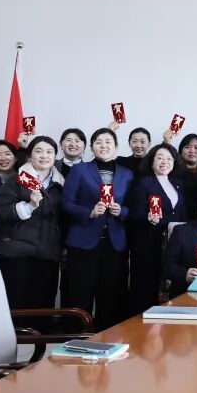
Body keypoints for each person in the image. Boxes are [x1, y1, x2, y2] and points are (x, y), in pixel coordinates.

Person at [60, 127, 134, 329]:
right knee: (79, 294)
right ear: (92, 147)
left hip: (114, 244)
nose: (103, 146)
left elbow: (133, 207)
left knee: (111, 296)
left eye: (108, 142)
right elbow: (66, 203)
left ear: (116, 147)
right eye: (98, 142)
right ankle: (76, 338)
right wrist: (89, 212)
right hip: (83, 243)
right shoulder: (80, 170)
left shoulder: (127, 174)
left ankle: (107, 338)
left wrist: (122, 211)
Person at [0, 136, 64, 312]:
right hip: (17, 252)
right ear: (29, 156)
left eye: (49, 152)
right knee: (17, 302)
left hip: (48, 252)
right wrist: (28, 206)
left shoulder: (61, 184)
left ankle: (41, 332)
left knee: (44, 303)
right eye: (39, 151)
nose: (44, 156)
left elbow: (63, 218)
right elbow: (0, 213)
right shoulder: (16, 180)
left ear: (55, 156)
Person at [126, 144, 187, 314]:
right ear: (151, 161)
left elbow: (181, 214)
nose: (164, 161)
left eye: (169, 158)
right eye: (159, 157)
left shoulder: (177, 183)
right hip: (148, 242)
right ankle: (140, 322)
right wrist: (147, 216)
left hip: (172, 243)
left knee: (169, 286)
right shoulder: (143, 182)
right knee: (145, 287)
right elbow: (134, 211)